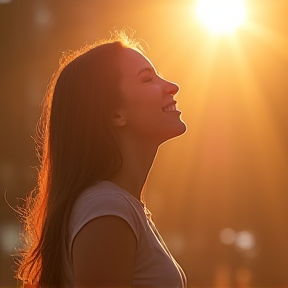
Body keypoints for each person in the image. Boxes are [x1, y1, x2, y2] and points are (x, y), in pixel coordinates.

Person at [16, 30, 187, 288]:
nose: (172, 86)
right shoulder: (107, 208)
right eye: (147, 79)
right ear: (116, 114)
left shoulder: (118, 206)